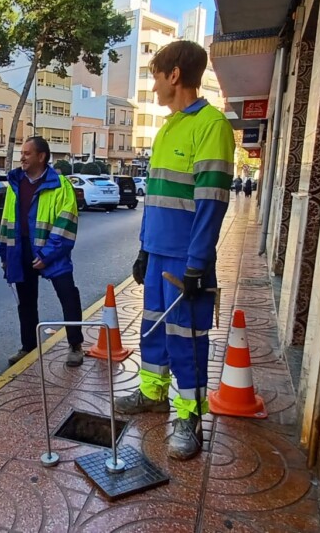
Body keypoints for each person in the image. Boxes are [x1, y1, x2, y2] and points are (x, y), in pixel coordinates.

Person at [117, 40, 235, 461]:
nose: (153, 86)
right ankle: (152, 391)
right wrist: (145, 249)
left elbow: (211, 203)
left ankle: (189, 417)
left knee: (186, 339)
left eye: (155, 76)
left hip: (187, 260)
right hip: (159, 257)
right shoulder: (168, 128)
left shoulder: (212, 125)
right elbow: (158, 199)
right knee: (152, 329)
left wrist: (198, 263)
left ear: (175, 75)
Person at [0, 136, 84, 367]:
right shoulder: (15, 183)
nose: (22, 157)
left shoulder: (60, 185)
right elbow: (7, 221)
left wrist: (47, 255)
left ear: (41, 156)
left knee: (68, 295)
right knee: (25, 301)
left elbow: (66, 223)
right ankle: (28, 346)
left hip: (52, 252)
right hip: (21, 249)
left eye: (27, 153)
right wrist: (5, 254)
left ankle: (75, 345)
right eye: (21, 153)